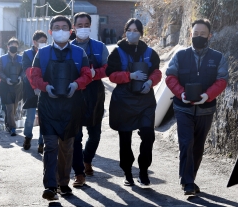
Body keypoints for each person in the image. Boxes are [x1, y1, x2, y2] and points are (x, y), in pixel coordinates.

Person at [27, 15, 92, 200]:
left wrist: (76, 85)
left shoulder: (80, 53)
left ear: (71, 31)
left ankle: (63, 183)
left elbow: (87, 75)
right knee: (50, 147)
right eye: (57, 27)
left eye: (64, 27)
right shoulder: (43, 53)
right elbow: (34, 76)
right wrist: (45, 87)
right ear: (51, 31)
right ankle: (50, 186)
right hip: (48, 106)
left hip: (71, 107)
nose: (61, 30)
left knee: (67, 147)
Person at [165, 19, 229, 195]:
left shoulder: (218, 57)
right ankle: (187, 183)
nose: (198, 36)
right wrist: (181, 93)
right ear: (190, 34)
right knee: (186, 143)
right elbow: (170, 77)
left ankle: (190, 178)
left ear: (210, 36)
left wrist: (207, 95)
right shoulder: (180, 56)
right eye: (195, 34)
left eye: (202, 34)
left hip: (206, 109)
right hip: (183, 108)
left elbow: (222, 80)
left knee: (198, 146)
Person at [106, 18, 161, 186]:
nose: (132, 33)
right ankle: (127, 172)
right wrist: (129, 76)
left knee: (148, 135)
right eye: (129, 29)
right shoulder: (117, 52)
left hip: (145, 100)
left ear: (141, 33)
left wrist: (150, 82)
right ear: (125, 32)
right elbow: (111, 75)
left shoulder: (150, 52)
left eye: (136, 30)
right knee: (125, 138)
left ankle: (143, 171)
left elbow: (157, 72)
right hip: (124, 100)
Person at [70, 12, 109, 187]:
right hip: (75, 94)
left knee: (95, 135)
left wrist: (96, 74)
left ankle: (87, 160)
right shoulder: (68, 48)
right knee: (75, 136)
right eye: (79, 25)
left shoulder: (100, 47)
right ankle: (79, 173)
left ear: (90, 26)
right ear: (74, 27)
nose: (83, 28)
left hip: (95, 94)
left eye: (86, 24)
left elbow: (109, 68)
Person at [22, 30, 47, 153]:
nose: (43, 44)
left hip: (44, 89)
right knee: (30, 117)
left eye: (45, 42)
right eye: (41, 42)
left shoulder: (48, 52)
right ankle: (28, 136)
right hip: (31, 90)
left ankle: (41, 142)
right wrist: (35, 87)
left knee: (44, 118)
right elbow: (28, 72)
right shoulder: (27, 54)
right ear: (34, 42)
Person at [0, 37, 23, 136]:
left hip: (17, 88)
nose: (14, 48)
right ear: (8, 46)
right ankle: (12, 128)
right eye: (12, 46)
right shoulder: (2, 59)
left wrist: (21, 77)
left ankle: (8, 124)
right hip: (6, 87)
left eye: (16, 46)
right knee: (10, 108)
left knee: (14, 108)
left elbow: (25, 70)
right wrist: (6, 79)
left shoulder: (21, 58)